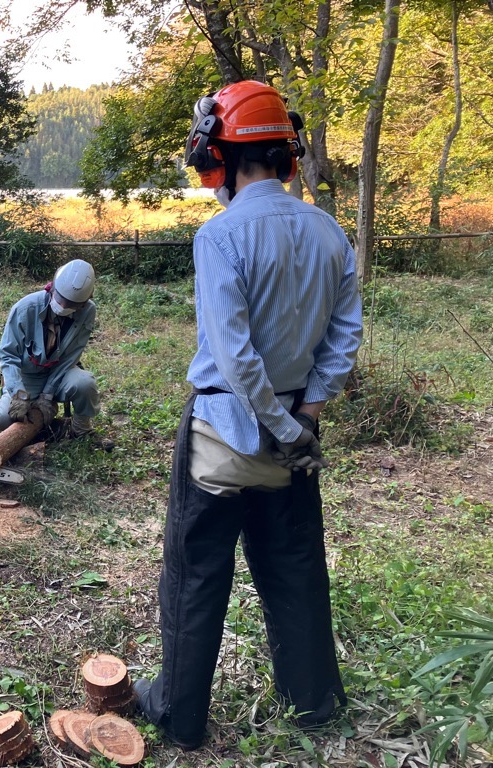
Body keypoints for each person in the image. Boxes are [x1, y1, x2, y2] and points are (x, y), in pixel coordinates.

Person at [132, 80, 363, 749]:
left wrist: (279, 421)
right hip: (296, 433)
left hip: (221, 432)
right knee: (293, 565)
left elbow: (232, 354)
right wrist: (306, 413)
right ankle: (314, 701)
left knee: (196, 569)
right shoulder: (329, 233)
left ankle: (179, 713)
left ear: (227, 156)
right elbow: (344, 336)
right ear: (285, 155)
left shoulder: (221, 236)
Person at [0, 259, 100, 438]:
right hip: (27, 377)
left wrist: (47, 395)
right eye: (61, 299)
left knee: (84, 384)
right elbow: (8, 356)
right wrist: (19, 395)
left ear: (84, 302)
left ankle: (80, 429)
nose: (63, 307)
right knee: (2, 420)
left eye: (70, 304)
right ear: (53, 287)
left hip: (61, 373)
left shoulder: (87, 311)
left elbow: (70, 358)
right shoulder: (25, 308)